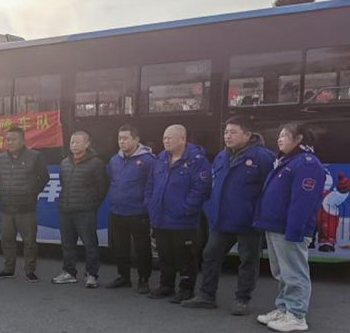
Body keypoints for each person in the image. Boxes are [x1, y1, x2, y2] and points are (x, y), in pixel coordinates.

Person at [181, 116, 275, 315]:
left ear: (248, 135)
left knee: (248, 261)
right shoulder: (222, 156)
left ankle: (242, 300)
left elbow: (271, 190)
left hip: (248, 221)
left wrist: (261, 216)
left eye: (233, 132)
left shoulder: (263, 157)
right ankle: (207, 295)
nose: (228, 136)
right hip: (222, 219)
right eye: (226, 132)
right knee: (210, 255)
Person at [253, 122, 325, 332]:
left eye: (285, 135)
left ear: (299, 139)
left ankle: (296, 315)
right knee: (282, 273)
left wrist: (294, 230)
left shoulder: (307, 163)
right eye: (280, 134)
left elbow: (302, 202)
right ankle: (284, 308)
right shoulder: (288, 161)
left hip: (288, 229)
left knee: (294, 273)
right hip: (276, 227)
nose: (280, 138)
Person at [144, 124, 212, 303]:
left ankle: (186, 289)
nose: (166, 141)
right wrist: (150, 204)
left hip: (183, 220)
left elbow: (202, 189)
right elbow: (150, 184)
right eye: (164, 138)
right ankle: (166, 285)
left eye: (170, 138)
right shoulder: (160, 158)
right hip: (160, 217)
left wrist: (186, 208)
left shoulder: (197, 160)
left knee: (185, 256)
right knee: (164, 254)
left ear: (182, 139)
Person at [52, 131, 109, 288]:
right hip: (66, 210)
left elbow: (103, 187)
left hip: (85, 211)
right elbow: (63, 183)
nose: (74, 145)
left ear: (87, 144)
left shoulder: (96, 163)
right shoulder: (64, 163)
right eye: (72, 142)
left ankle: (91, 274)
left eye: (78, 142)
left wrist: (92, 204)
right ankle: (69, 272)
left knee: (90, 244)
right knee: (67, 244)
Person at [0, 127, 50, 283]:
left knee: (29, 241)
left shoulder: (35, 156)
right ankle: (8, 269)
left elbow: (44, 177)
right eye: (8, 139)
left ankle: (30, 271)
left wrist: (32, 192)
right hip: (6, 207)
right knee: (7, 240)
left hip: (26, 208)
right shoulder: (0, 158)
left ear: (23, 141)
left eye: (14, 139)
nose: (10, 142)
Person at [104, 125, 155, 294]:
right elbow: (110, 179)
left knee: (142, 248)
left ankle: (143, 279)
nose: (121, 142)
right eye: (119, 138)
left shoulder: (148, 160)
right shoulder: (114, 160)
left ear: (136, 140)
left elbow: (154, 184)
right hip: (117, 211)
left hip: (138, 212)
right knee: (120, 247)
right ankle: (123, 277)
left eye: (125, 138)